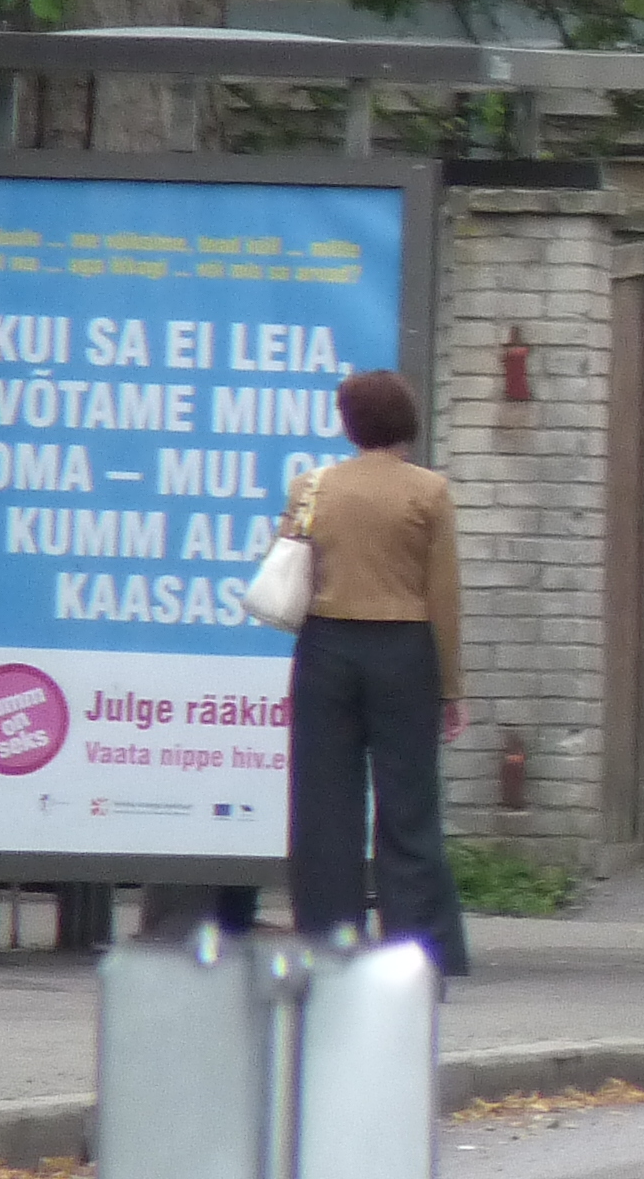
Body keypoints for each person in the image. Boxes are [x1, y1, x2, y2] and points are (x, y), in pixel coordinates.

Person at [288, 369, 470, 976]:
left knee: (324, 806)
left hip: (325, 647)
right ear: (407, 422)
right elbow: (442, 596)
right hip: (404, 651)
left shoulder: (311, 487)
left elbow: (292, 571)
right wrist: (451, 688)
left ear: (349, 425)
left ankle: (328, 947)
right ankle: (416, 952)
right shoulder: (429, 492)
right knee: (408, 807)